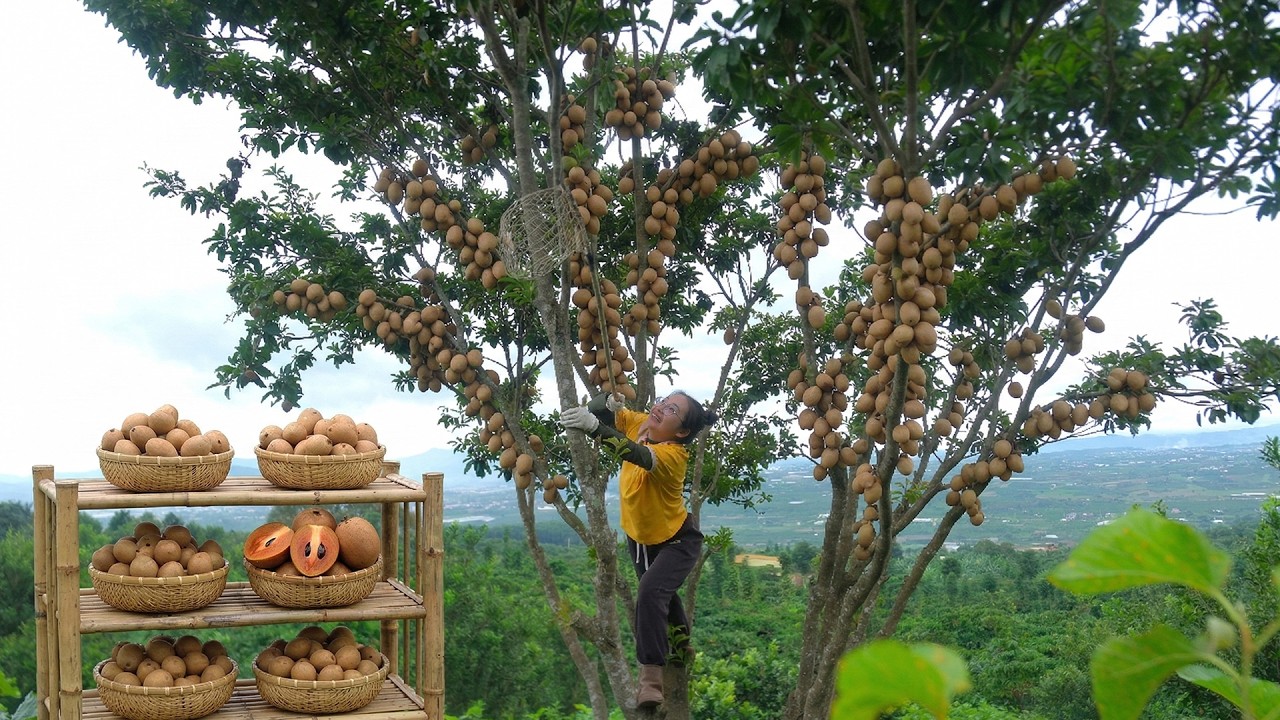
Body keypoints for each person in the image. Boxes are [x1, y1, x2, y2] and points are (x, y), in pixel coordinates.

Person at [561, 391, 717, 709]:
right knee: (662, 596)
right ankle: (681, 644)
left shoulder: (675, 456)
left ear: (682, 432)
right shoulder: (641, 422)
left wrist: (594, 427)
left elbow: (637, 456)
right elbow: (604, 414)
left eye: (672, 409)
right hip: (642, 540)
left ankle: (650, 681)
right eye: (663, 401)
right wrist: (605, 401)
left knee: (649, 591)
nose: (659, 408)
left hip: (677, 541)